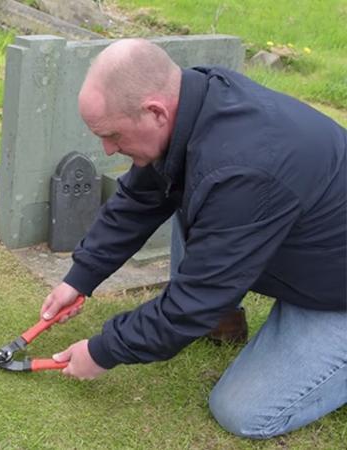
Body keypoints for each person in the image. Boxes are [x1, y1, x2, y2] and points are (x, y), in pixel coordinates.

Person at [40, 38, 347, 439]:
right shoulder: (197, 101)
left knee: (242, 412)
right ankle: (233, 318)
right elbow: (141, 196)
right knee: (191, 195)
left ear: (154, 112)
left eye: (113, 134)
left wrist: (102, 351)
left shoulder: (240, 172)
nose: (107, 148)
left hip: (336, 289)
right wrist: (80, 277)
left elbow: (191, 303)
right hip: (305, 240)